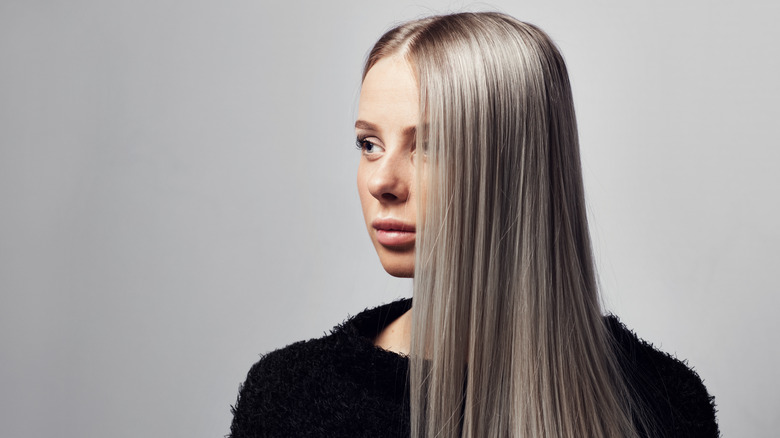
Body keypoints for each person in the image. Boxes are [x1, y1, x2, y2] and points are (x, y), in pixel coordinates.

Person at [229, 12, 718, 438]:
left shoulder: (664, 404)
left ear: (517, 171)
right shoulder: (288, 399)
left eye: (431, 145)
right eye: (369, 144)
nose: (382, 181)